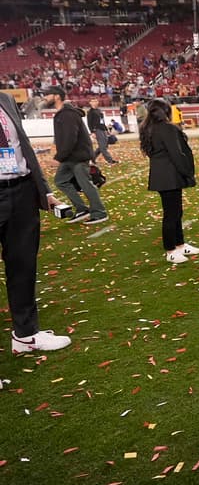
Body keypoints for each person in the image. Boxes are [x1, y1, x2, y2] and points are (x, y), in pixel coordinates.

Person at [0, 92, 72, 354]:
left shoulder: (5, 100)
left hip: (21, 191)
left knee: (23, 266)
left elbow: (24, 147)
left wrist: (44, 190)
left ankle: (26, 334)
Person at [139, 98, 199, 264]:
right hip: (169, 176)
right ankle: (171, 250)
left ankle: (180, 245)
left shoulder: (149, 128)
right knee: (171, 214)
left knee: (175, 212)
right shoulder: (166, 129)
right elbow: (177, 154)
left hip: (162, 176)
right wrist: (188, 172)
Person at [48, 85, 108, 225]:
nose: (45, 98)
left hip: (78, 156)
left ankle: (99, 213)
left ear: (57, 96)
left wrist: (58, 158)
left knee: (85, 184)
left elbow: (71, 138)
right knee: (60, 181)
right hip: (70, 156)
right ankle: (82, 209)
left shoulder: (68, 114)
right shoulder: (62, 114)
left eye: (48, 95)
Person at [87, 97, 118, 164]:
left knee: (104, 146)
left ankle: (92, 158)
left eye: (95, 101)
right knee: (103, 147)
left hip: (102, 129)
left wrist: (106, 129)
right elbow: (89, 123)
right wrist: (92, 132)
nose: (94, 102)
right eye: (93, 101)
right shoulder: (90, 112)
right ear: (90, 103)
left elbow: (102, 121)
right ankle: (110, 160)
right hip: (97, 130)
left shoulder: (98, 110)